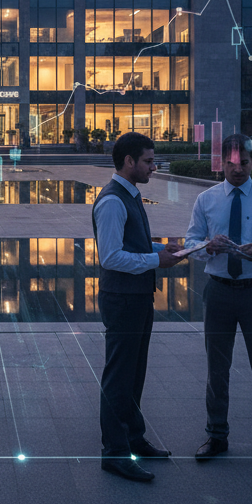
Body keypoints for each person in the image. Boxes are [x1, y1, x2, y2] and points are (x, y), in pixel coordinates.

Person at [185, 134, 252, 472]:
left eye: (244, 163)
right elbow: (190, 242)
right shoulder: (206, 199)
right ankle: (217, 434)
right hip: (218, 291)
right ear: (221, 163)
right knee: (216, 371)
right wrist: (208, 247)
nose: (238, 169)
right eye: (231, 164)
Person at [93, 131, 182, 482]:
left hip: (138, 297)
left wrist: (162, 249)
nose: (153, 166)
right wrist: (156, 260)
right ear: (129, 161)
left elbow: (132, 245)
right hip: (123, 299)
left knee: (134, 373)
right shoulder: (113, 200)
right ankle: (114, 452)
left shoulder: (131, 194)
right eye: (147, 160)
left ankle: (133, 437)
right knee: (119, 376)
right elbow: (112, 257)